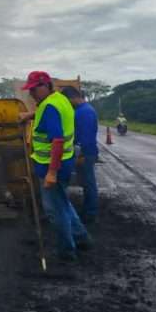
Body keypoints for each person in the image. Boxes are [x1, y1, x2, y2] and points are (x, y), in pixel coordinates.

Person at [19, 71, 92, 262]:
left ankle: (67, 252)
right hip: (65, 162)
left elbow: (57, 140)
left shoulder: (49, 106)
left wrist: (51, 172)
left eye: (34, 89)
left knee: (54, 209)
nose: (31, 94)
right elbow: (50, 113)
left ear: (45, 86)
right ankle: (82, 237)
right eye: (30, 90)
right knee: (63, 202)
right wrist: (30, 115)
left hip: (52, 166)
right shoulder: (59, 99)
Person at [61, 86, 99, 224]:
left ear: (72, 98)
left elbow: (87, 136)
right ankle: (88, 210)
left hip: (86, 153)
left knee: (89, 183)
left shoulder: (85, 112)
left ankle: (90, 213)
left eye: (67, 101)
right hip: (85, 152)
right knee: (86, 182)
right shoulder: (82, 110)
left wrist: (81, 154)